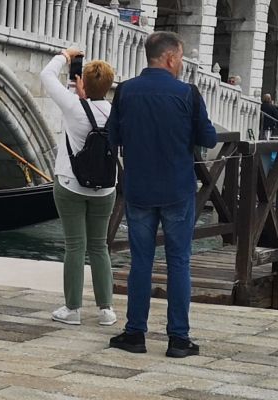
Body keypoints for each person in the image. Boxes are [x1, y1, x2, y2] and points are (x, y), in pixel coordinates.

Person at [105, 31, 216, 358]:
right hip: (177, 188)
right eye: (180, 58)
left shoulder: (125, 92)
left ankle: (135, 333)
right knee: (178, 262)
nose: (181, 64)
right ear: (170, 58)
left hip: (139, 188)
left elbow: (113, 136)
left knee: (141, 261)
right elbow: (208, 138)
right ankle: (178, 339)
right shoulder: (188, 94)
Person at [40, 48, 118, 327]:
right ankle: (106, 310)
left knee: (75, 246)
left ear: (82, 82)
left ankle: (72, 309)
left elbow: (46, 75)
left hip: (71, 184)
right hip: (106, 188)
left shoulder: (73, 106)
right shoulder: (117, 112)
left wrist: (64, 54)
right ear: (110, 86)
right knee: (99, 247)